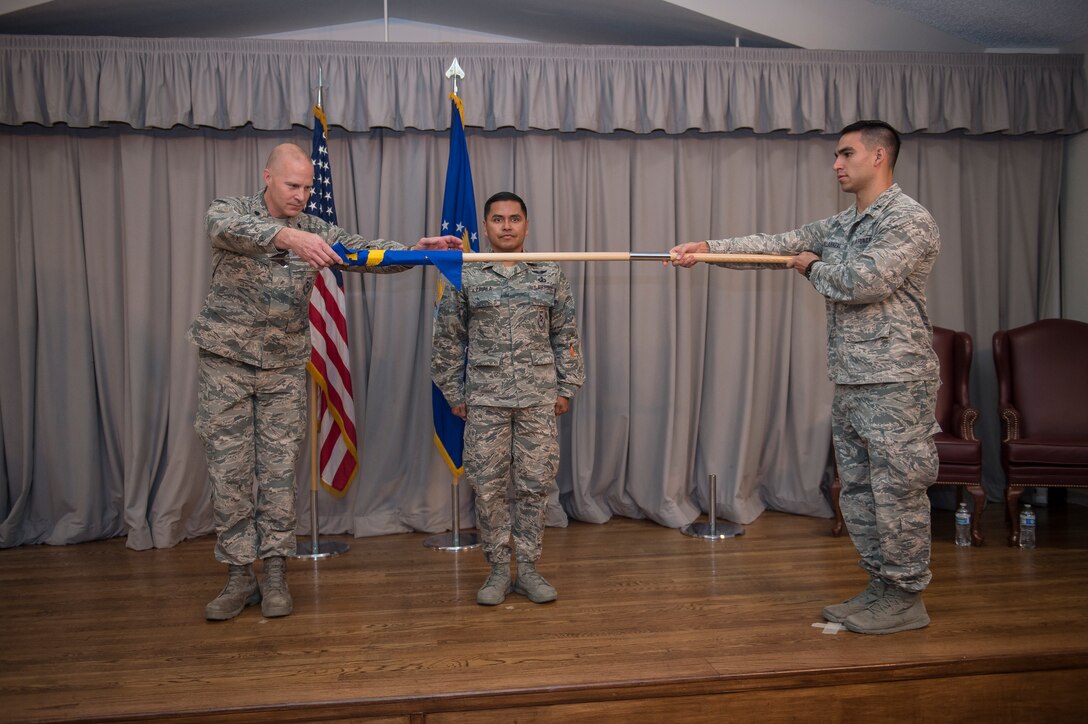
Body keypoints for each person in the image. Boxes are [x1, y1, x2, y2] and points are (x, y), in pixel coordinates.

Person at [671, 120, 940, 635]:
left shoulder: (908, 220)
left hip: (897, 382)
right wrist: (704, 248)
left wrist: (811, 266)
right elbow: (776, 245)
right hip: (854, 379)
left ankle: (907, 596)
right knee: (860, 492)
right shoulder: (842, 225)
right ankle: (881, 588)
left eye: (846, 154)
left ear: (880, 155)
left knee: (898, 492)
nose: (837, 164)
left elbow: (863, 280)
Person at [190, 143, 461, 621]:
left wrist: (415, 253)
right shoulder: (230, 209)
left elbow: (363, 253)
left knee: (277, 473)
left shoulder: (316, 229)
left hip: (284, 367)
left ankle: (274, 572)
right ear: (268, 177)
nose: (301, 195)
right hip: (226, 366)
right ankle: (238, 576)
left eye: (308, 187)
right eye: (293, 185)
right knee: (229, 473)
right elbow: (225, 229)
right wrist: (287, 238)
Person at [432, 191, 585, 606]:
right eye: (497, 219)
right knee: (488, 487)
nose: (506, 226)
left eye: (514, 219)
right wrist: (454, 392)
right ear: (485, 226)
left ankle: (530, 569)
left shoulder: (548, 273)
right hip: (485, 400)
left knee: (535, 485)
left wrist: (566, 386)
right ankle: (499, 569)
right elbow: (448, 339)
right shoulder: (465, 272)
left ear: (526, 225)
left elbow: (565, 334)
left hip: (538, 399)